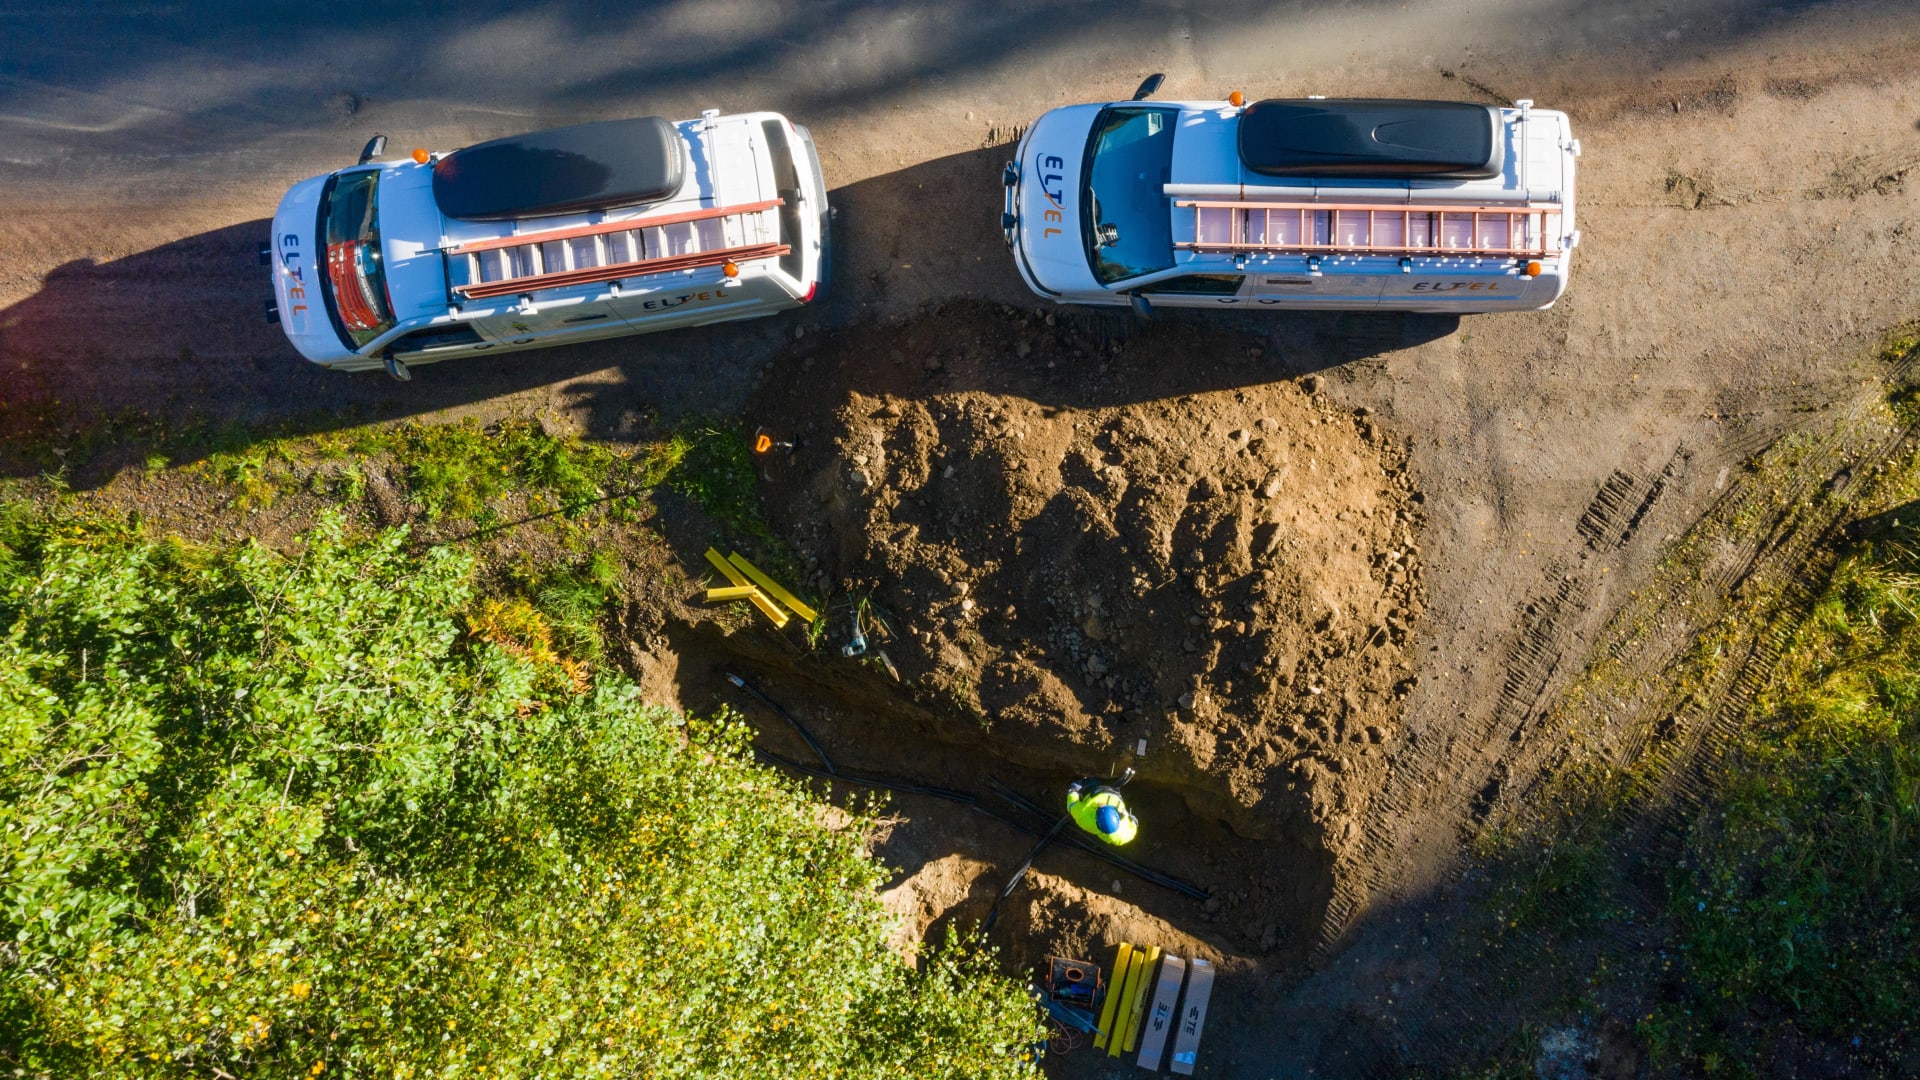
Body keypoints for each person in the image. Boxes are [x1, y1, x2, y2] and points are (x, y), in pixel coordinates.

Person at [1066, 776, 1137, 845]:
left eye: (1099, 808)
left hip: (1094, 790)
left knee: (1090, 781)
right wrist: (1133, 820)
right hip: (1115, 794)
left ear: (1096, 818)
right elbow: (1133, 829)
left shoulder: (1084, 818)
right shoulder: (1122, 837)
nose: (1101, 804)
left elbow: (1072, 804)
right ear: (1117, 816)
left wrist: (1073, 790)